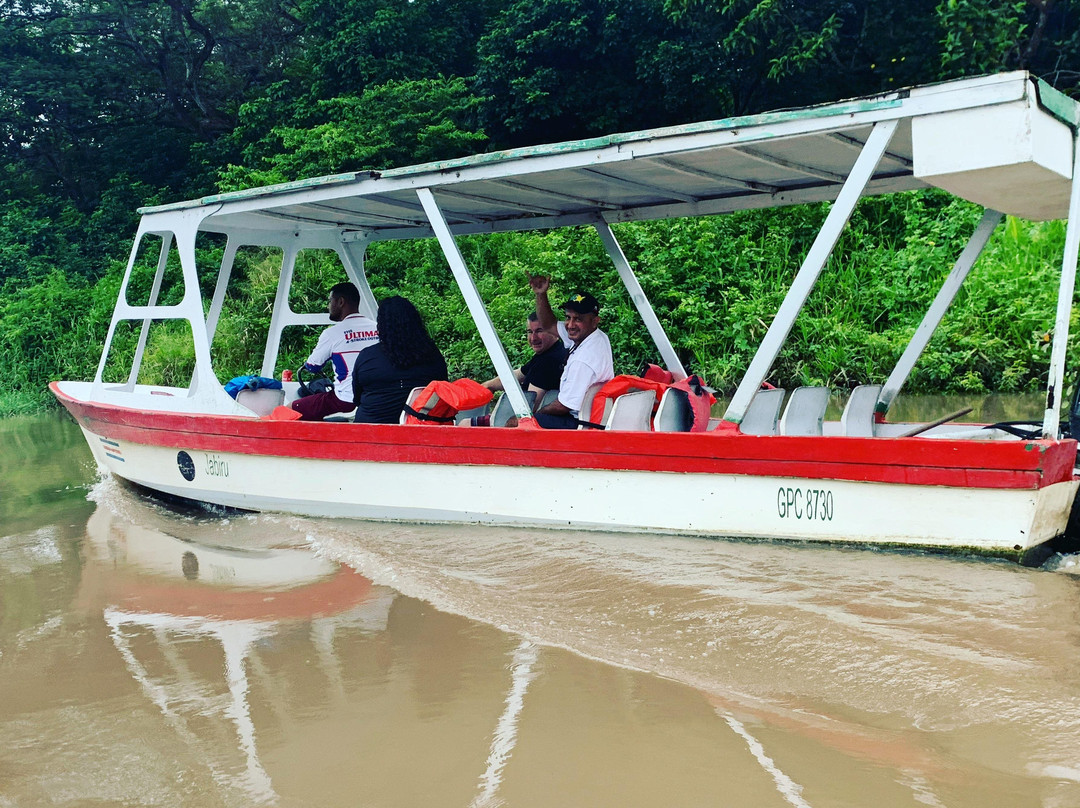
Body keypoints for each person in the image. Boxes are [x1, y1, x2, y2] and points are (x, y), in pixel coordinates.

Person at [528, 276, 614, 429]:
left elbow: (563, 406)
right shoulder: (595, 336)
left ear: (595, 321)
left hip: (579, 423)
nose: (570, 325)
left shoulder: (583, 360)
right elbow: (549, 324)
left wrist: (536, 416)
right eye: (568, 317)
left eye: (578, 319)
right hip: (585, 415)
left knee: (517, 423)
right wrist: (541, 294)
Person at [352, 296, 448, 424]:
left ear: (381, 324)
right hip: (420, 430)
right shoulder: (432, 355)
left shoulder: (367, 356)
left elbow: (357, 397)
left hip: (370, 430)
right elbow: (443, 390)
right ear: (415, 321)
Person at [291, 282, 378, 421]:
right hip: (375, 399)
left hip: (345, 400)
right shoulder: (378, 328)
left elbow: (312, 366)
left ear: (341, 302)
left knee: (291, 409)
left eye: (330, 301)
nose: (328, 306)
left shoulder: (332, 333)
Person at [482, 311, 568, 405]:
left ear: (554, 331)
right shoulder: (551, 352)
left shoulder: (549, 362)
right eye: (530, 332)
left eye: (539, 331)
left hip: (525, 417)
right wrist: (487, 385)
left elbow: (529, 406)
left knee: (466, 420)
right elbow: (517, 375)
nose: (533, 338)